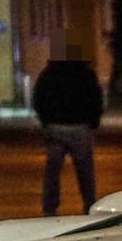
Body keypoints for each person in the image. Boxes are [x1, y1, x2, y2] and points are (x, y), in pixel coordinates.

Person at [33, 29, 104, 216]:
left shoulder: (49, 73)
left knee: (53, 171)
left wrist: (45, 121)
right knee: (85, 170)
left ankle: (50, 207)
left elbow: (38, 98)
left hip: (56, 127)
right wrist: (93, 123)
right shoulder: (86, 73)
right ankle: (89, 205)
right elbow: (96, 98)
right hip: (81, 127)